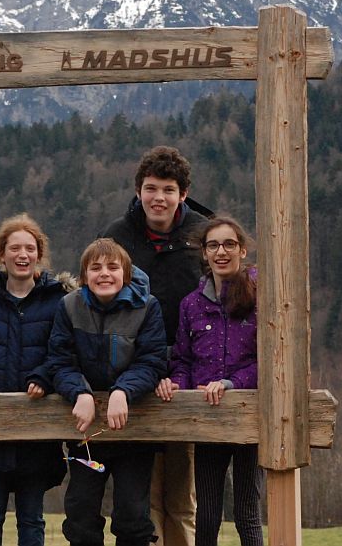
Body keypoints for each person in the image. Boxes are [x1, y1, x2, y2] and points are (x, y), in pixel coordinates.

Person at [100, 146, 210, 546]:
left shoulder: (202, 235)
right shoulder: (116, 236)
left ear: (183, 193)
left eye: (167, 189)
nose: (157, 198)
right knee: (139, 499)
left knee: (181, 496)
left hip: (184, 376)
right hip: (130, 377)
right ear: (138, 190)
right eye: (150, 188)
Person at [44, 238, 167, 546]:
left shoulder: (148, 307)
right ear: (84, 275)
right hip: (85, 435)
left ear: (125, 273)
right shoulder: (69, 306)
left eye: (113, 267)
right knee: (81, 514)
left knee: (132, 516)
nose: (104, 274)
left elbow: (152, 362)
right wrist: (81, 393)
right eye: (95, 268)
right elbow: (59, 361)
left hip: (134, 431)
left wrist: (123, 391)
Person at [0, 214, 71, 546]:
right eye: (14, 248)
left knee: (32, 519)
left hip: (37, 434)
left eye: (29, 248)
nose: (22, 255)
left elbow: (62, 350)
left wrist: (44, 378)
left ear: (39, 254)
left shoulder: (56, 301)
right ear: (1, 254)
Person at [157, 217, 262, 546]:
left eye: (229, 244)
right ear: (204, 253)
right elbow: (184, 359)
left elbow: (271, 361)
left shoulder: (263, 296)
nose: (221, 252)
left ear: (242, 250)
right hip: (206, 419)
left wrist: (231, 384)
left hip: (249, 417)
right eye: (213, 245)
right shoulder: (191, 304)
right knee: (207, 514)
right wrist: (175, 381)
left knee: (247, 513)